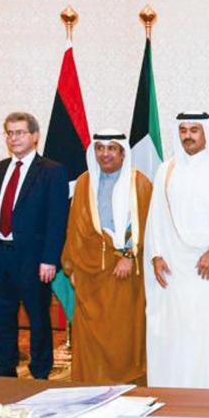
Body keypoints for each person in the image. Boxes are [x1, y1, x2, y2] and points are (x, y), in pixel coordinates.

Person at [144, 112, 209, 389]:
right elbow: (155, 218)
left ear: (206, 133)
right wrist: (155, 255)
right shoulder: (165, 170)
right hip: (175, 272)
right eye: (183, 130)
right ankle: (176, 394)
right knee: (177, 335)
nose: (188, 135)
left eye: (194, 130)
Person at [0, 113, 69, 379]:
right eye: (9, 133)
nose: (14, 138)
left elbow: (56, 219)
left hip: (33, 258)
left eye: (20, 132)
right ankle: (5, 368)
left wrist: (50, 259)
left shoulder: (52, 171)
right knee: (1, 316)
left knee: (38, 318)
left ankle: (40, 370)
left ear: (35, 136)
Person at [60, 130, 152, 384]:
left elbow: (149, 225)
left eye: (112, 148)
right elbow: (75, 228)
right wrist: (73, 268)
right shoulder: (83, 183)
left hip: (126, 273)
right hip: (90, 273)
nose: (105, 154)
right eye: (100, 148)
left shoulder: (140, 183)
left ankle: (129, 385)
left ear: (123, 153)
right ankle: (91, 385)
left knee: (125, 334)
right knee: (90, 337)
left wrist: (130, 256)